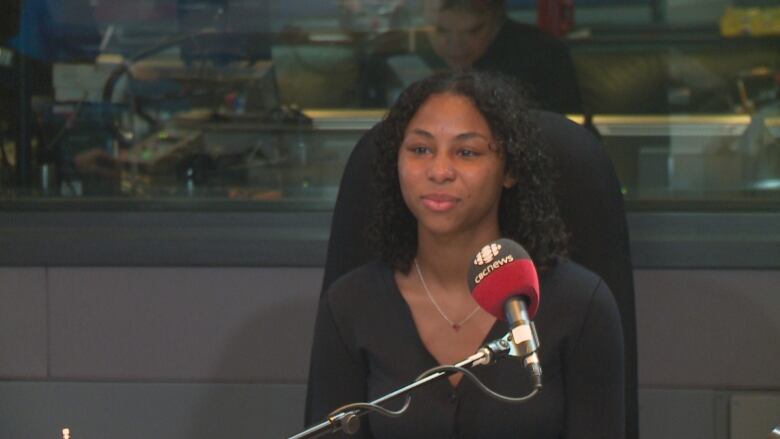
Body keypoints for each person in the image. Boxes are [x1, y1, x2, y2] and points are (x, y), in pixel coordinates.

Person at [305, 70, 624, 438]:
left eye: (467, 152)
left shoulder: (579, 304)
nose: (439, 171)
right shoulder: (351, 304)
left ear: (510, 169)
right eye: (420, 149)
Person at [360, 0, 583, 115]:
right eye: (441, 30)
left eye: (473, 31)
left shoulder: (543, 55)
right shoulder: (394, 56)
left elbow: (569, 138)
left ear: (497, 22)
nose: (456, 46)